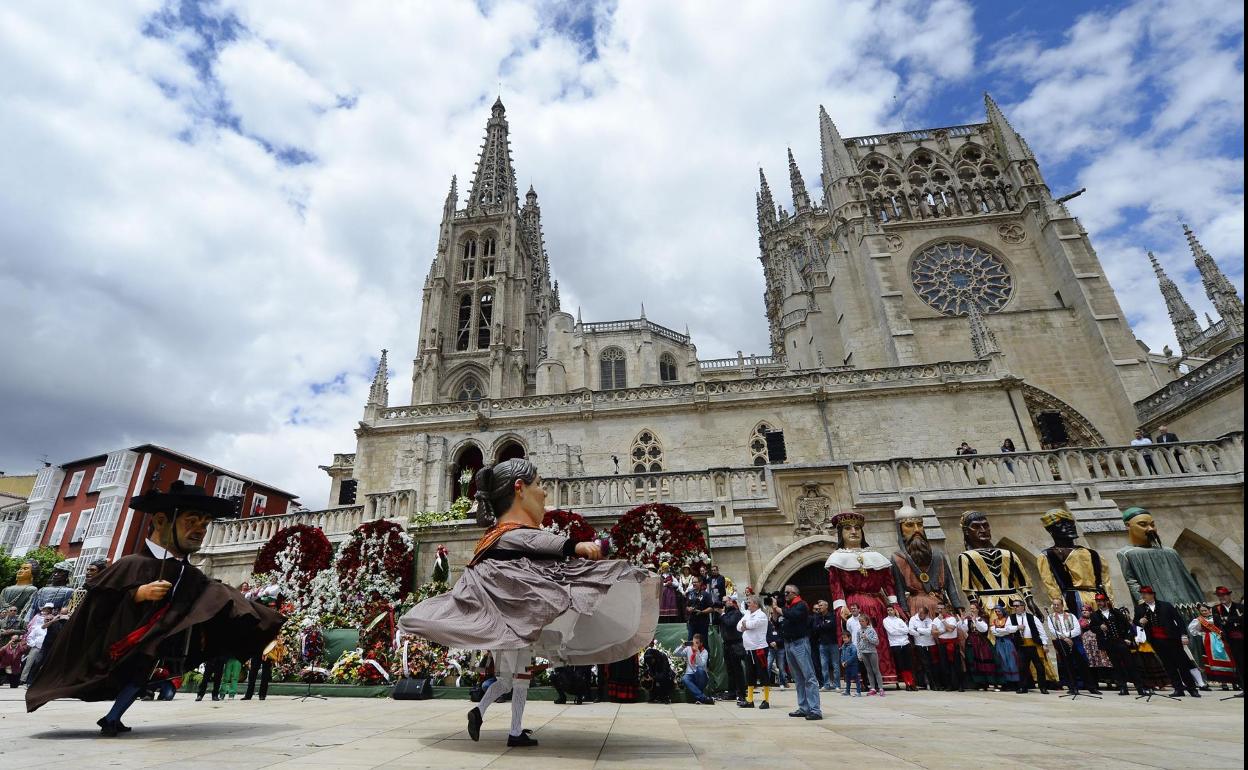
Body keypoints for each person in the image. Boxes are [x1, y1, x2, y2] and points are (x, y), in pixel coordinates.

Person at [398, 459, 658, 748]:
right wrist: (576, 546)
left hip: (510, 624)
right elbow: (536, 542)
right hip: (513, 624)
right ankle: (511, 729)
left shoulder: (495, 540)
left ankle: (484, 714)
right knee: (516, 680)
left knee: (510, 680)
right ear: (519, 488)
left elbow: (536, 549)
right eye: (539, 484)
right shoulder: (507, 534)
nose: (545, 492)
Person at [25, 481, 283, 736]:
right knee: (139, 671)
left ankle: (113, 718)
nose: (199, 530)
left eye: (204, 524)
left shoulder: (189, 572)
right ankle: (112, 717)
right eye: (191, 521)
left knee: (143, 671)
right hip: (127, 638)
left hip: (160, 638)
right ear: (161, 521)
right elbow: (98, 606)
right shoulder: (131, 564)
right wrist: (137, 594)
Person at [825, 511, 901, 685]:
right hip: (855, 606)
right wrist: (840, 607)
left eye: (857, 528)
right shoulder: (837, 559)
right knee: (858, 642)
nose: (854, 531)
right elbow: (836, 587)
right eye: (848, 528)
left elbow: (889, 584)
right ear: (840, 533)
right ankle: (864, 679)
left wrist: (894, 604)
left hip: (879, 606)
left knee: (881, 641)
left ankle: (886, 677)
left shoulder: (876, 556)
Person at [1037, 507, 1115, 614]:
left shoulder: (1093, 554)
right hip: (1073, 601)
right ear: (1050, 530)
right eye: (1061, 524)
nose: (1069, 526)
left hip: (1099, 599)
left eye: (1070, 523)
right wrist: (1062, 609)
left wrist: (1111, 604)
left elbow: (1106, 582)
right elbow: (1051, 586)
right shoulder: (1048, 556)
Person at [889, 506, 962, 621]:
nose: (917, 530)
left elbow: (950, 584)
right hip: (917, 609)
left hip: (941, 605)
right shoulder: (898, 559)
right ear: (900, 529)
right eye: (909, 525)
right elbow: (899, 590)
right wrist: (904, 612)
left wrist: (957, 605)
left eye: (920, 524)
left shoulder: (938, 555)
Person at [1135, 586, 1199, 698]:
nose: (1143, 596)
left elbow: (1179, 620)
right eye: (1142, 594)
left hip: (1172, 639)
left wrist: (1184, 635)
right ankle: (1178, 689)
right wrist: (1140, 621)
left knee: (1182, 664)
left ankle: (1192, 689)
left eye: (1145, 594)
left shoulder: (1166, 605)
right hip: (1156, 641)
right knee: (1169, 666)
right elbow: (1136, 621)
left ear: (1152, 594)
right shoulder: (1140, 608)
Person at [770, 584, 821, 720]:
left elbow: (793, 616)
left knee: (809, 676)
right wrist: (775, 611)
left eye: (786, 593)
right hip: (788, 644)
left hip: (799, 643)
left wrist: (778, 608)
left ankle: (815, 710)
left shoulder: (801, 605)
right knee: (798, 677)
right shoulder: (787, 607)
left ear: (794, 593)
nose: (784, 595)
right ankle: (803, 707)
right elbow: (776, 623)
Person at [1089, 593, 1149, 696]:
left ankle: (1140, 687)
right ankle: (1123, 688)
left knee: (1130, 664)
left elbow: (1127, 626)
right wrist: (1099, 627)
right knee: (1117, 666)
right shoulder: (1095, 615)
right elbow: (1092, 628)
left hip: (1120, 641)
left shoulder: (1115, 612)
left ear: (1106, 601)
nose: (1099, 603)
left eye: (1101, 601)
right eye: (1097, 601)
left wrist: (1128, 638)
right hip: (1108, 643)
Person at [1047, 598, 1099, 695]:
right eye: (1054, 605)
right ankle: (1073, 687)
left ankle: (1091, 687)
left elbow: (1077, 629)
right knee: (1067, 664)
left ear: (1062, 605)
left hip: (1074, 640)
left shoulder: (1071, 616)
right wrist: (1065, 638)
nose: (1056, 606)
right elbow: (1053, 630)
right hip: (1061, 641)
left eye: (1058, 604)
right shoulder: (1050, 617)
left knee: (1082, 662)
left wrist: (1068, 636)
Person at [1188, 604, 1236, 689]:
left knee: (1228, 658)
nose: (1204, 612)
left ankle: (1234, 682)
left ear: (1209, 610)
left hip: (1221, 638)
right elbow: (1192, 629)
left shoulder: (1216, 617)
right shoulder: (1199, 620)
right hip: (1209, 641)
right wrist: (1202, 633)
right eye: (1202, 611)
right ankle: (1223, 682)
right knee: (1214, 661)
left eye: (1205, 610)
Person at [737, 594, 771, 709]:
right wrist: (744, 626)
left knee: (762, 673)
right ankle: (750, 700)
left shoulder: (761, 615)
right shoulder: (747, 613)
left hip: (759, 648)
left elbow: (751, 625)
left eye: (749, 602)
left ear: (756, 604)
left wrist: (746, 625)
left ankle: (766, 700)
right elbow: (738, 626)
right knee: (749, 674)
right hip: (749, 648)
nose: (747, 604)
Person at [1009, 599, 1049, 694]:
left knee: (1039, 667)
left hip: (1034, 645)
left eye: (1017, 606)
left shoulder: (1032, 617)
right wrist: (1016, 627)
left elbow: (1041, 631)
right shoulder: (1011, 618)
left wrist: (1044, 644)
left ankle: (1043, 687)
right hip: (1022, 645)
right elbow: (1008, 628)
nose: (1015, 608)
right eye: (1014, 606)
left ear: (1023, 606)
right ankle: (1023, 687)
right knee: (1022, 667)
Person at [1212, 586, 1244, 695]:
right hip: (1231, 641)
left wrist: (1228, 620)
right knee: (1239, 664)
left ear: (1229, 595)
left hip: (1242, 637)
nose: (1222, 598)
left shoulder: (1239, 606)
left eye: (1224, 595)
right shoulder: (1216, 609)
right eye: (1219, 596)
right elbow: (1217, 625)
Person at [931, 602, 965, 691]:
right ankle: (949, 685)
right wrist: (944, 630)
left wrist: (943, 621)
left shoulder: (951, 618)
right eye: (938, 608)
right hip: (942, 644)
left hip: (952, 643)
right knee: (945, 665)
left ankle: (960, 685)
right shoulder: (935, 620)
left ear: (945, 609)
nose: (939, 610)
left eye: (941, 608)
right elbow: (933, 632)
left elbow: (951, 629)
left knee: (956, 665)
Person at [963, 602, 997, 690]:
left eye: (973, 608)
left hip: (981, 642)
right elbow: (965, 629)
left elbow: (984, 629)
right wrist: (962, 622)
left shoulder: (983, 617)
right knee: (973, 661)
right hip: (971, 641)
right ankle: (979, 683)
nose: (972, 610)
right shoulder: (968, 619)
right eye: (971, 608)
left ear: (978, 609)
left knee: (984, 661)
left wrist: (976, 620)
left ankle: (989, 682)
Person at [883, 605, 915, 691]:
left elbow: (907, 630)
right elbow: (891, 632)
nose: (889, 611)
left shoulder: (899, 620)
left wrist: (898, 630)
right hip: (895, 644)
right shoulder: (885, 620)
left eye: (891, 610)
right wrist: (900, 630)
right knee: (901, 665)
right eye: (888, 610)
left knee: (908, 664)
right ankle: (907, 683)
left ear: (894, 610)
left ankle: (912, 683)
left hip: (905, 643)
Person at [990, 605, 1021, 691]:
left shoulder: (1008, 619)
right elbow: (994, 632)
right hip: (999, 643)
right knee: (1002, 661)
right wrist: (1004, 630)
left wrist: (1000, 630)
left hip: (1008, 643)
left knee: (1011, 661)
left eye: (998, 611)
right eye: (996, 611)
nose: (997, 613)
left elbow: (1009, 630)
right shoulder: (994, 621)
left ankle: (1014, 682)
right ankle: (1005, 682)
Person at [811, 599, 839, 691]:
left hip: (833, 643)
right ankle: (826, 684)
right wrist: (823, 626)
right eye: (819, 606)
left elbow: (832, 626)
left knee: (835, 665)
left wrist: (821, 626)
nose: (819, 607)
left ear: (826, 606)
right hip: (822, 644)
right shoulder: (817, 617)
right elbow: (815, 628)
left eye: (821, 605)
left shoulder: (832, 616)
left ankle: (837, 685)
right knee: (824, 665)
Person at [676, 635, 713, 705]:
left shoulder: (704, 652)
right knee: (684, 678)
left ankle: (699, 696)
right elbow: (676, 653)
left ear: (701, 643)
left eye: (696, 643)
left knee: (699, 669)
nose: (694, 644)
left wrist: (697, 652)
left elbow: (701, 664)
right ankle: (702, 698)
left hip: (701, 677)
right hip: (690, 674)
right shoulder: (688, 649)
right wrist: (682, 646)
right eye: (693, 642)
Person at [907, 605, 935, 689]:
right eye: (919, 612)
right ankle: (925, 683)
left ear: (926, 614)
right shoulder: (913, 619)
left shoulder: (929, 620)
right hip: (919, 644)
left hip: (930, 643)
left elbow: (930, 631)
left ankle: (933, 682)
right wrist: (922, 633)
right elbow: (911, 631)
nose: (919, 614)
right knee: (923, 664)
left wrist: (918, 629)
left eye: (922, 613)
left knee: (931, 664)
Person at [685, 575, 714, 651]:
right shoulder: (690, 594)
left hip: (703, 622)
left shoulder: (706, 594)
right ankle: (690, 660)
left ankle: (706, 662)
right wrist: (689, 609)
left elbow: (711, 608)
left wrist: (701, 612)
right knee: (690, 642)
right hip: (692, 622)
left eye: (695, 582)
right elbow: (686, 606)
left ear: (700, 583)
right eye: (693, 582)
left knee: (704, 643)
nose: (694, 584)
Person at [858, 617, 884, 696]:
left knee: (875, 670)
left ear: (867, 622)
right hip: (863, 652)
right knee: (868, 670)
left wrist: (868, 638)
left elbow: (876, 642)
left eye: (862, 621)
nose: (861, 622)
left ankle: (880, 688)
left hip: (872, 652)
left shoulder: (871, 630)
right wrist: (859, 654)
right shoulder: (859, 631)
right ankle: (872, 688)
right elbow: (858, 642)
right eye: (860, 621)